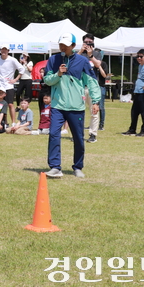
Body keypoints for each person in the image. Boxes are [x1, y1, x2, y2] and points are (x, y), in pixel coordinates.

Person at [44, 33, 101, 179]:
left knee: (78, 138)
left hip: (76, 107)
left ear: (73, 46)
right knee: (53, 134)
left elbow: (92, 82)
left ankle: (77, 167)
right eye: (61, 44)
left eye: (66, 45)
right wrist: (58, 74)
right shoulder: (53, 59)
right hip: (57, 105)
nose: (62, 47)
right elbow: (47, 80)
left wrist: (95, 101)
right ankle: (55, 167)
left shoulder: (82, 61)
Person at [0, 46, 25, 126]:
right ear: (0, 50)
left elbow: (21, 69)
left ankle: (13, 122)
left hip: (9, 85)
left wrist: (15, 79)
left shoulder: (12, 59)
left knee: (10, 104)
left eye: (5, 49)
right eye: (2, 49)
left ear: (8, 51)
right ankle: (2, 122)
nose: (4, 51)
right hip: (0, 85)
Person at [122, 48, 144, 137]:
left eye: (141, 56)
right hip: (138, 92)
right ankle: (132, 130)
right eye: (138, 56)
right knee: (134, 112)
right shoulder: (140, 66)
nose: (139, 58)